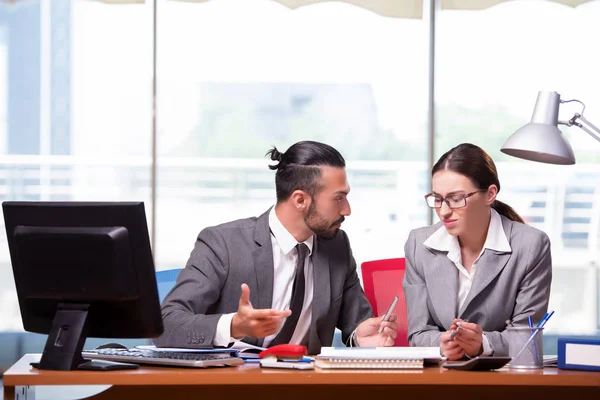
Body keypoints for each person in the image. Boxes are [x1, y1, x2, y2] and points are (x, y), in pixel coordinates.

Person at [155, 140, 397, 354]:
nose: (347, 210)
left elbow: (356, 324)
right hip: (234, 386)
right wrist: (233, 326)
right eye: (338, 198)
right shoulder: (224, 243)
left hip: (307, 387)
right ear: (300, 199)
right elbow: (166, 324)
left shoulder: (336, 245)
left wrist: (360, 337)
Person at [402, 143, 552, 360]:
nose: (443, 211)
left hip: (500, 382)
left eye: (456, 199)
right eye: (437, 199)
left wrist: (484, 344)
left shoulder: (531, 246)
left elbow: (527, 336)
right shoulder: (419, 244)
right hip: (441, 378)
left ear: (490, 194)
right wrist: (441, 344)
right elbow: (418, 332)